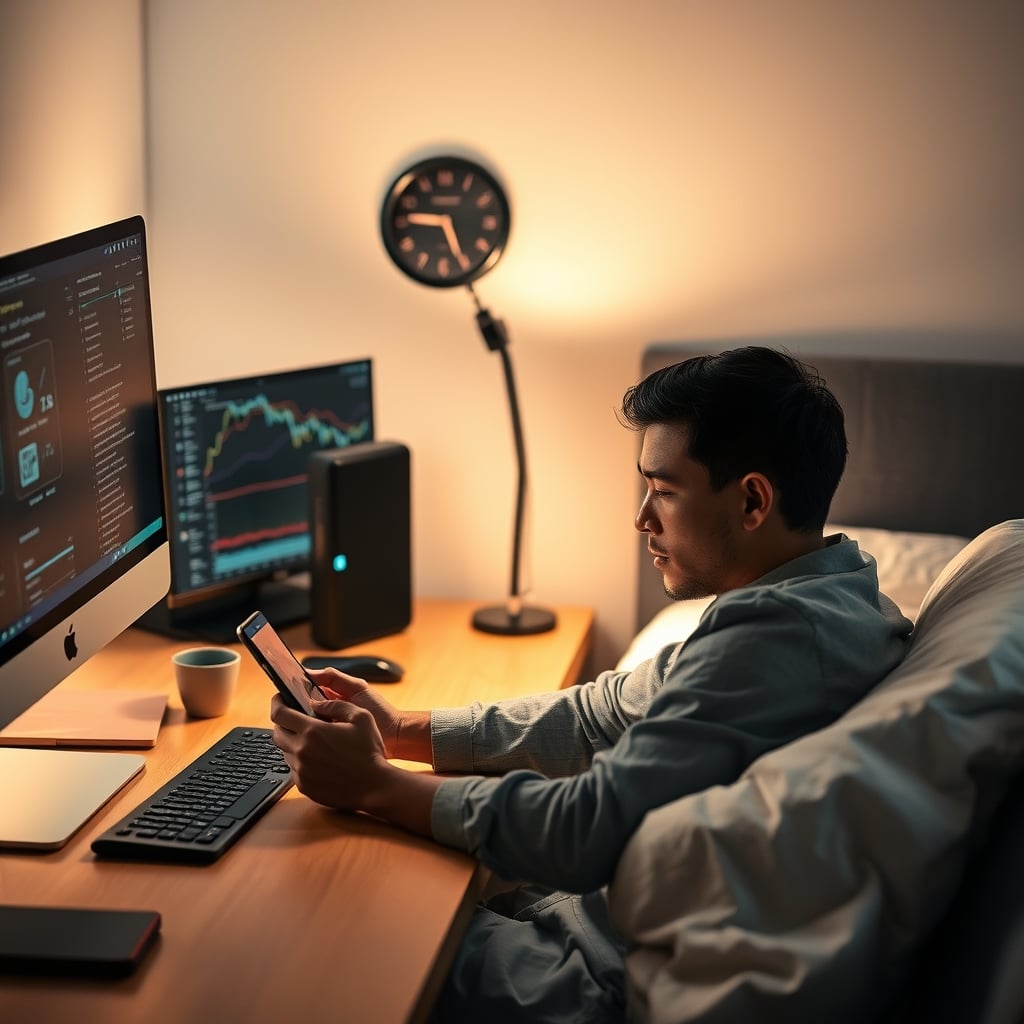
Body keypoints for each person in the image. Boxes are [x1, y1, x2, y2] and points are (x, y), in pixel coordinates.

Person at [270, 347, 913, 1023]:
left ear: (752, 499)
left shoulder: (777, 640)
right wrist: (402, 730)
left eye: (664, 490)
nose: (642, 518)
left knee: (311, 931)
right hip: (583, 930)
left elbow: (586, 830)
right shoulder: (830, 589)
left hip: (597, 979)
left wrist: (374, 785)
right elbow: (599, 714)